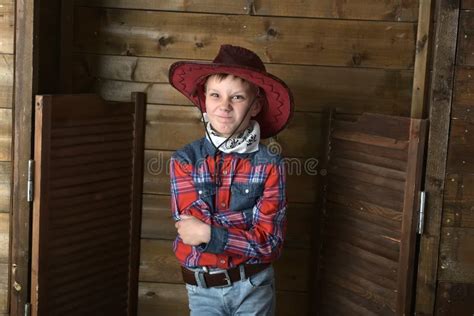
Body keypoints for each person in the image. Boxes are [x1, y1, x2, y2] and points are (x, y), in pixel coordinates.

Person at [168, 44, 294, 316]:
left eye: (236, 97)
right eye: (216, 95)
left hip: (253, 285)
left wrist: (211, 233)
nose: (224, 106)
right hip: (202, 289)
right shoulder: (184, 160)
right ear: (205, 100)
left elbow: (269, 243)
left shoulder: (270, 164)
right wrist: (244, 228)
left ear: (255, 106)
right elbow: (190, 232)